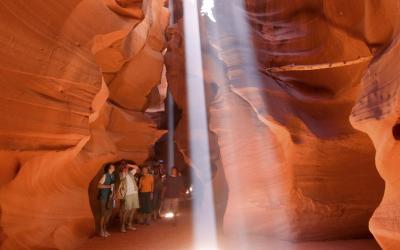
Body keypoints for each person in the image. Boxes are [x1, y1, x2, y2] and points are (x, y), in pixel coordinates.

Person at [118, 163, 140, 232]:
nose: (126, 168)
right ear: (122, 168)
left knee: (133, 209)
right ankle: (122, 226)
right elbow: (122, 178)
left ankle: (129, 225)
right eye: (125, 167)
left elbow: (137, 168)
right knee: (126, 211)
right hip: (128, 194)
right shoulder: (121, 174)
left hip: (134, 193)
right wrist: (124, 169)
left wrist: (129, 165)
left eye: (127, 168)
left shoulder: (130, 173)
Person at [97, 164, 115, 238]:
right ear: (109, 168)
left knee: (108, 214)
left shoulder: (112, 176)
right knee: (103, 214)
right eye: (113, 167)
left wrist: (113, 195)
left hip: (110, 198)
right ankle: (101, 231)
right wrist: (108, 186)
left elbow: (113, 187)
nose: (114, 168)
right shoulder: (105, 175)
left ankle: (104, 229)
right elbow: (99, 185)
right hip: (104, 197)